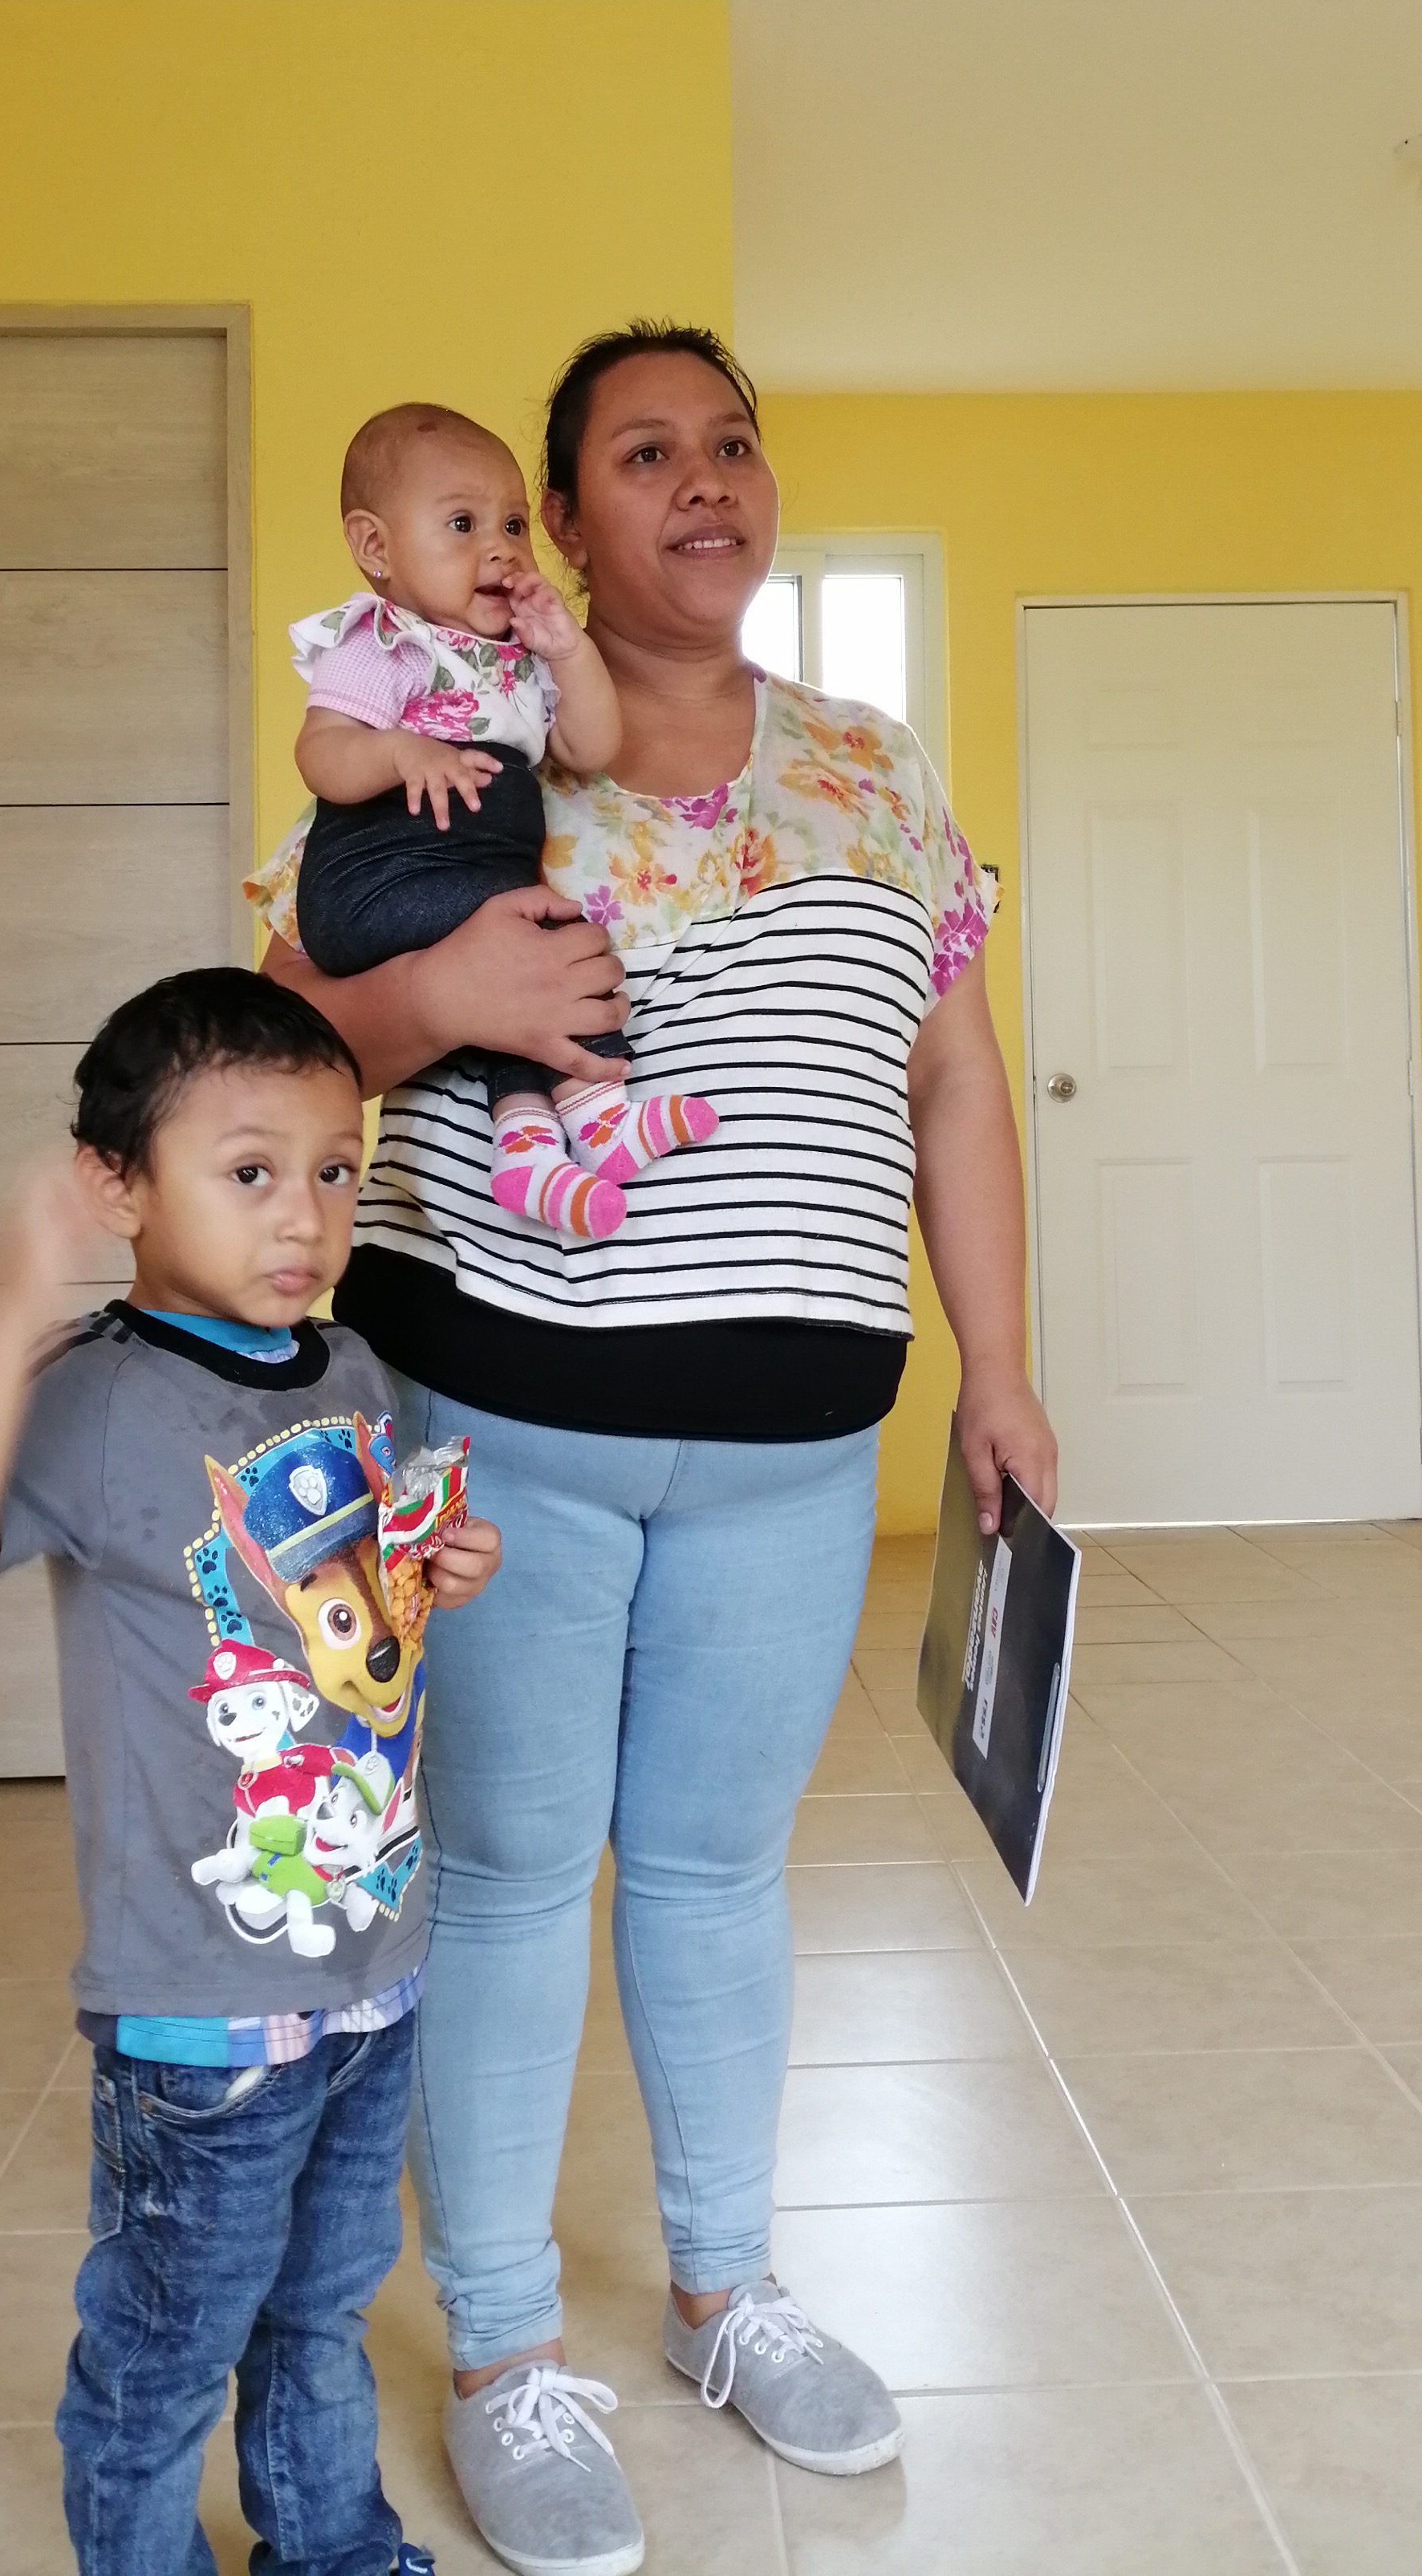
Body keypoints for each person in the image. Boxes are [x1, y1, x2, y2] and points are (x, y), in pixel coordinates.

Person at [260, 323, 1057, 2576]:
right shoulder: (456, 722)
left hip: (799, 1442)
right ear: (555, 520)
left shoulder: (876, 767)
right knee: (511, 1870)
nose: (704, 478)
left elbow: (954, 1081)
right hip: (503, 1412)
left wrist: (1001, 1366)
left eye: (731, 441)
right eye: (643, 452)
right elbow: (274, 1041)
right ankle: (504, 2348)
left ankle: (723, 2287)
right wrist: (442, 1001)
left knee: (716, 1869)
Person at [0, 965, 501, 2576]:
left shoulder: (352, 1368)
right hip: (201, 2008)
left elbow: (343, 1606)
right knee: (166, 2348)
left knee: (322, 2309)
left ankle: (333, 2549)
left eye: (336, 1168)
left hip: (371, 1969)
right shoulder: (94, 1395)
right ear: (118, 1186)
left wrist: (435, 1568)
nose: (305, 1212)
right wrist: (6, 1311)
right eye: (248, 1170)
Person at [266, 400, 714, 1247]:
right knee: (542, 949)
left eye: (513, 525)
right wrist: (400, 752)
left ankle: (541, 1140)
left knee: (543, 960)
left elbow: (591, 743)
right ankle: (589, 1109)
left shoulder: (516, 663)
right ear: (375, 547)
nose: (501, 547)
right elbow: (322, 755)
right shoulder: (387, 642)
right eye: (463, 524)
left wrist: (566, 649)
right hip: (378, 882)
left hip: (469, 884)